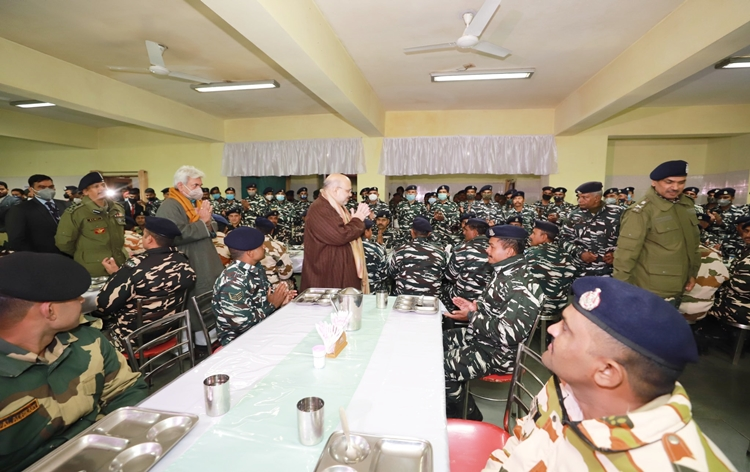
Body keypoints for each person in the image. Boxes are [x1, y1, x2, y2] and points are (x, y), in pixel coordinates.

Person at [481, 277, 736, 472]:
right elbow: (520, 445)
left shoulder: (663, 464)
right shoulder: (567, 386)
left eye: (567, 329)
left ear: (606, 372)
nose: (552, 330)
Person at [0, 252, 148, 472]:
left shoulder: (88, 341)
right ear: (50, 311)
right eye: (75, 296)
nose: (82, 300)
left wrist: (118, 442)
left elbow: (126, 391)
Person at [443, 225, 543, 420]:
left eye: (491, 246)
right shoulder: (504, 271)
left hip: (498, 354)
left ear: (510, 250)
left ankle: (467, 414)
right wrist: (474, 307)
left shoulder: (520, 286)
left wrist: (471, 317)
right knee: (437, 341)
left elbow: (509, 333)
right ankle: (457, 397)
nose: (486, 250)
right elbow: (494, 307)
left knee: (440, 366)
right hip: (483, 338)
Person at [96, 217, 196, 351]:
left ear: (149, 239)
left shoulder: (136, 266)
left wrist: (116, 276)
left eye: (143, 235)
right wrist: (118, 274)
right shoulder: (182, 260)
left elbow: (103, 305)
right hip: (168, 331)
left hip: (133, 338)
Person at [614, 160, 700, 305]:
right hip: (651, 289)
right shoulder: (642, 211)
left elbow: (692, 244)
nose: (675, 187)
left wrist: (692, 273)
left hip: (679, 284)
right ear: (654, 182)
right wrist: (621, 289)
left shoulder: (686, 205)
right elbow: (625, 254)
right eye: (669, 182)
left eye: (681, 182)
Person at [213, 227, 295, 345]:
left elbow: (262, 298)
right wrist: (273, 305)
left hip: (261, 328)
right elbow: (241, 323)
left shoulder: (255, 268)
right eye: (261, 246)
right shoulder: (233, 281)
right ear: (250, 253)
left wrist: (280, 298)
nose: (264, 247)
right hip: (240, 341)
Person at [156, 166, 224, 297]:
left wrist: (208, 223)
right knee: (196, 298)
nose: (199, 189)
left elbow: (212, 224)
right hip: (188, 259)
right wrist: (203, 223)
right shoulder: (170, 205)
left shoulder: (196, 202)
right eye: (195, 185)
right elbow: (174, 235)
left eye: (200, 185)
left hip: (205, 257)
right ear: (181, 186)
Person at [300, 174, 371, 292]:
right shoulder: (321, 208)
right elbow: (340, 235)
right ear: (335, 190)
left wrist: (354, 221)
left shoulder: (335, 206)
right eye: (348, 191)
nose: (350, 194)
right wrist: (357, 220)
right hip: (328, 273)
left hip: (338, 268)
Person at [55, 172, 127, 276]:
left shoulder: (117, 208)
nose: (101, 189)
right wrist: (86, 255)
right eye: (96, 186)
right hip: (95, 269)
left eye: (103, 185)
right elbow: (64, 243)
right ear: (85, 192)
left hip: (120, 264)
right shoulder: (76, 213)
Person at [560, 181, 621, 277]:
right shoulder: (573, 215)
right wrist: (581, 253)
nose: (580, 200)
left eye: (584, 197)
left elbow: (628, 239)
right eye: (579, 197)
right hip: (581, 270)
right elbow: (564, 240)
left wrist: (616, 253)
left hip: (610, 270)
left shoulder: (618, 213)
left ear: (597, 198)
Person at [526, 220, 577, 316]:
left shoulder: (530, 253)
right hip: (559, 308)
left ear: (544, 237)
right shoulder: (566, 255)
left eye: (533, 233)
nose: (530, 236)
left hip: (534, 308)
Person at [6, 174, 68, 253]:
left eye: (51, 187)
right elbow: (16, 239)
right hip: (41, 256)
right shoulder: (20, 209)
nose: (48, 190)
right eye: (41, 187)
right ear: (31, 189)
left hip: (69, 255)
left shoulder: (66, 205)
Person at [441, 218, 492, 312]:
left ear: (475, 231)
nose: (463, 233)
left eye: (466, 230)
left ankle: (448, 318)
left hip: (463, 299)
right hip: (487, 300)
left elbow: (450, 276)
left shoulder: (461, 250)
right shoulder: (494, 249)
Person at [388, 217, 447, 296]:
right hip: (431, 299)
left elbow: (392, 273)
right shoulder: (440, 252)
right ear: (429, 234)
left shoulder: (400, 251)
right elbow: (443, 275)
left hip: (404, 299)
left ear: (412, 232)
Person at [256, 217, 294, 290]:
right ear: (272, 231)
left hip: (250, 285)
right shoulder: (278, 246)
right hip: (272, 286)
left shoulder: (247, 244)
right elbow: (286, 274)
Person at [362, 219, 388, 292]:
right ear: (366, 232)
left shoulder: (348, 247)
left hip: (353, 292)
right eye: (371, 230)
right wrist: (381, 246)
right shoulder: (376, 249)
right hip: (373, 293)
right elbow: (384, 274)